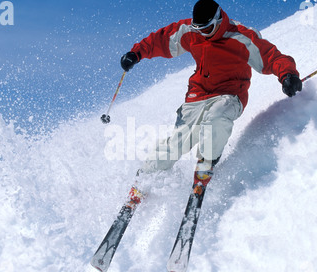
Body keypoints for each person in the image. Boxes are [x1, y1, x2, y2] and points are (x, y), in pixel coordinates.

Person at [120, 0, 302, 184]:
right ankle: (144, 180)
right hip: (198, 95)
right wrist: (137, 54)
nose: (203, 34)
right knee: (177, 142)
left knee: (216, 117)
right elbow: (162, 39)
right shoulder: (191, 31)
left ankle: (206, 164)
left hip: (229, 94)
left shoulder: (241, 36)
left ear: (218, 20)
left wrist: (287, 74)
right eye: (199, 29)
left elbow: (271, 56)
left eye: (207, 29)